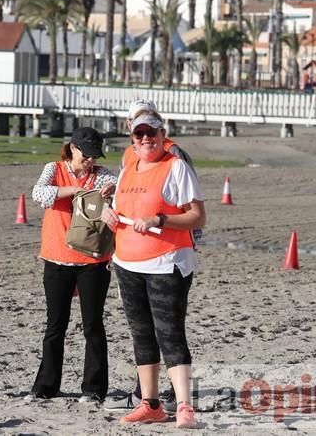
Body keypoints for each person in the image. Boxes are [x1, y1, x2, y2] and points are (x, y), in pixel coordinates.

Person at [100, 110, 206, 429]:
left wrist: (160, 220)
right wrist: (109, 214)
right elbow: (120, 210)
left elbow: (197, 217)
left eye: (152, 132)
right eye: (139, 133)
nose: (145, 139)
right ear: (132, 136)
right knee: (141, 333)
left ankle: (185, 404)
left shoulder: (176, 167)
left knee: (169, 332)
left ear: (163, 134)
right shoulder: (128, 168)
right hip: (127, 262)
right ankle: (151, 403)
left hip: (167, 262)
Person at [26, 127, 117, 403]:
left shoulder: (103, 175)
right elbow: (39, 194)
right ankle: (46, 385)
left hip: (93, 261)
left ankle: (93, 388)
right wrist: (75, 189)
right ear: (73, 148)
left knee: (93, 325)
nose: (89, 160)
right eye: (85, 155)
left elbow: (120, 192)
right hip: (56, 258)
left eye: (94, 156)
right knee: (55, 324)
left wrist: (113, 193)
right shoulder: (53, 169)